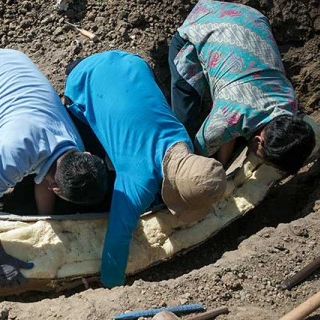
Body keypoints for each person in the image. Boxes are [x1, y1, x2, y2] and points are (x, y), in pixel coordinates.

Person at [0, 49, 107, 288]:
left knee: (11, 174)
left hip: (10, 62)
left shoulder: (75, 147)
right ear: (55, 186)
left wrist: (44, 222)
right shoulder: (14, 151)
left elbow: (45, 177)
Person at [65, 50, 227, 288]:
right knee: (90, 148)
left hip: (131, 62)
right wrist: (110, 282)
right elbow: (118, 236)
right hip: (82, 81)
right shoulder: (137, 180)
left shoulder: (182, 138)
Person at [169, 0, 318, 174]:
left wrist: (222, 164)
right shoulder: (224, 120)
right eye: (266, 161)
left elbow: (230, 126)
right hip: (202, 23)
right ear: (257, 142)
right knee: (183, 126)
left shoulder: (289, 103)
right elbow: (202, 151)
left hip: (250, 18)